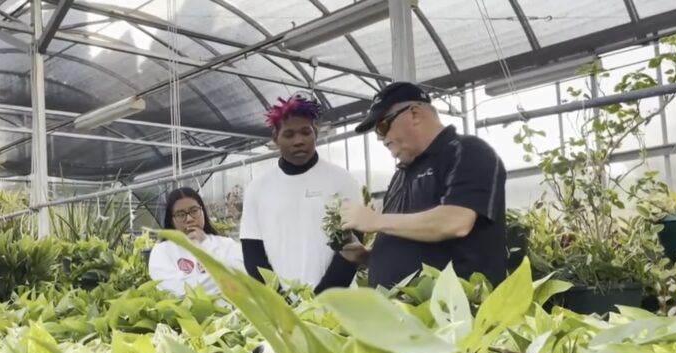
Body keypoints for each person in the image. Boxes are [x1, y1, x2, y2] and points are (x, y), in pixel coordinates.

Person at [339, 82, 507, 287]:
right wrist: (368, 256)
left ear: (415, 113)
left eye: (382, 126)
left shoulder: (466, 152)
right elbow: (410, 236)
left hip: (452, 312)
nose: (380, 138)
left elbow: (455, 222)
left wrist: (376, 221)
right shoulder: (401, 174)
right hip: (402, 313)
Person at [240, 93, 362, 293]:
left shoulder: (341, 180)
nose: (299, 141)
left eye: (306, 132)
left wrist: (323, 297)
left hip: (337, 300)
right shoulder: (259, 187)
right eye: (288, 135)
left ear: (315, 132)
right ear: (275, 139)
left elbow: (352, 246)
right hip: (282, 306)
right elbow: (253, 252)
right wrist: (279, 299)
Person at [148, 187, 244, 297]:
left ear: (202, 211)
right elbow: (178, 289)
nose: (189, 219)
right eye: (181, 214)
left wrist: (204, 243)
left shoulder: (226, 244)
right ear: (171, 220)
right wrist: (225, 276)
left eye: (194, 211)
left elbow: (244, 272)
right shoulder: (162, 251)